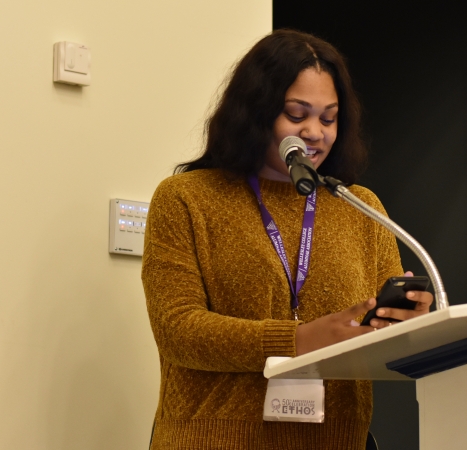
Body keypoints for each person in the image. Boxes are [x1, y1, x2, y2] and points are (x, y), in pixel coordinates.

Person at [141, 29, 433, 450]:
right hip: (212, 440)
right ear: (255, 112)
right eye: (297, 115)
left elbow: (380, 335)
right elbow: (178, 331)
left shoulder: (360, 206)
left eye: (328, 118)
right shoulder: (185, 198)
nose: (315, 132)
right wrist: (297, 340)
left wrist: (408, 323)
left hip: (336, 440)